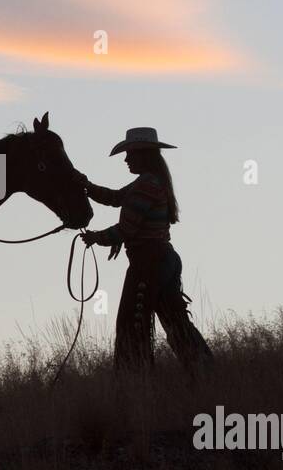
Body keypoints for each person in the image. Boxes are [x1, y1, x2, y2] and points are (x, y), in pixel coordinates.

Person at [79, 127, 213, 375]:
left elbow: (126, 229)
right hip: (162, 259)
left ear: (143, 155)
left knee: (131, 324)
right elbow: (116, 197)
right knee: (175, 321)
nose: (126, 159)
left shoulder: (145, 185)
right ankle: (204, 371)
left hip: (148, 263)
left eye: (130, 154)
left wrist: (95, 237)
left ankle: (134, 380)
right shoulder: (150, 182)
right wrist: (87, 186)